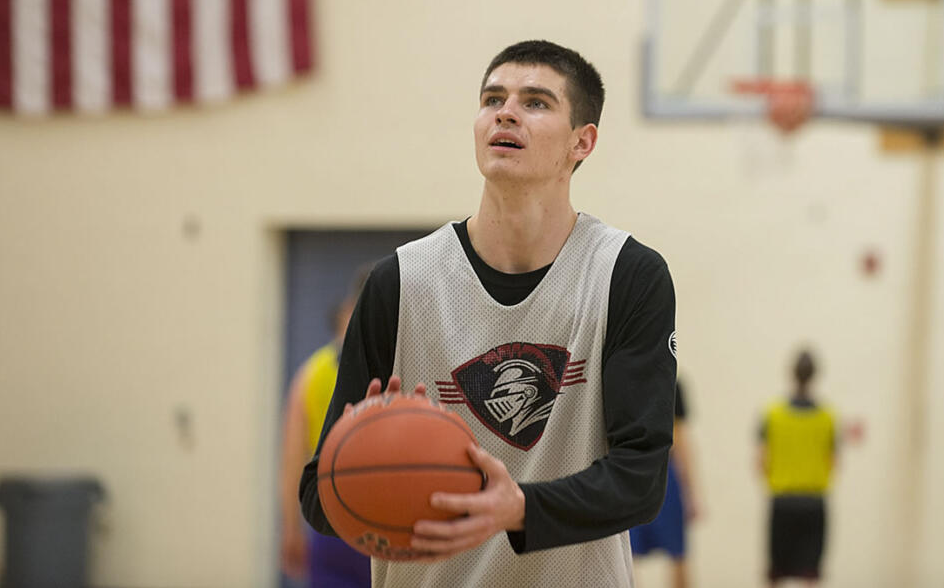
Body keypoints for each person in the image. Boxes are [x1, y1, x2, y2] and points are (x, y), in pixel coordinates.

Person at [299, 40, 677, 587]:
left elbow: (641, 480)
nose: (506, 111)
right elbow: (318, 497)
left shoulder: (627, 275)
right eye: (492, 98)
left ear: (582, 142)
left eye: (536, 102)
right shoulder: (399, 282)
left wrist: (516, 507)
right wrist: (369, 454)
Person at [280, 283, 371, 588]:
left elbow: (292, 461)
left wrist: (290, 528)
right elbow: (294, 459)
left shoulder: (309, 372)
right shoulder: (395, 366)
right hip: (378, 517)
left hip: (332, 516)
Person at [757, 350, 835, 587]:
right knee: (810, 574)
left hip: (782, 501)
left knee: (776, 573)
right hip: (813, 501)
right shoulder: (827, 417)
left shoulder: (773, 413)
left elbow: (761, 460)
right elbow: (833, 461)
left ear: (792, 374)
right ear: (814, 376)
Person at [630, 378, 701, 588]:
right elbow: (681, 440)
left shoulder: (668, 382)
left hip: (645, 472)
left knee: (674, 552)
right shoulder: (666, 380)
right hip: (641, 473)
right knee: (672, 554)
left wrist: (690, 492)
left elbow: (680, 439)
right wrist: (691, 493)